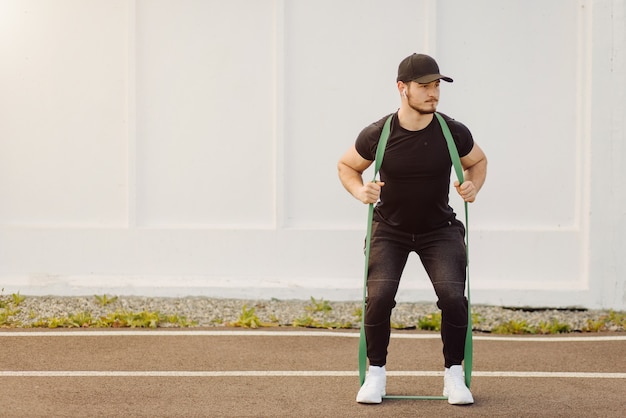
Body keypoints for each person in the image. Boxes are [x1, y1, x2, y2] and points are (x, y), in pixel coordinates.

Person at [337, 53, 487, 405]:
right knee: (379, 298)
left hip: (439, 229)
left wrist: (473, 185)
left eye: (437, 85)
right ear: (402, 88)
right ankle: (376, 374)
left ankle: (454, 375)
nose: (433, 93)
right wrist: (361, 191)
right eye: (424, 86)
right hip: (390, 229)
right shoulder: (380, 133)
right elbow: (346, 165)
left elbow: (477, 161)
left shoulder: (452, 131)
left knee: (453, 299)